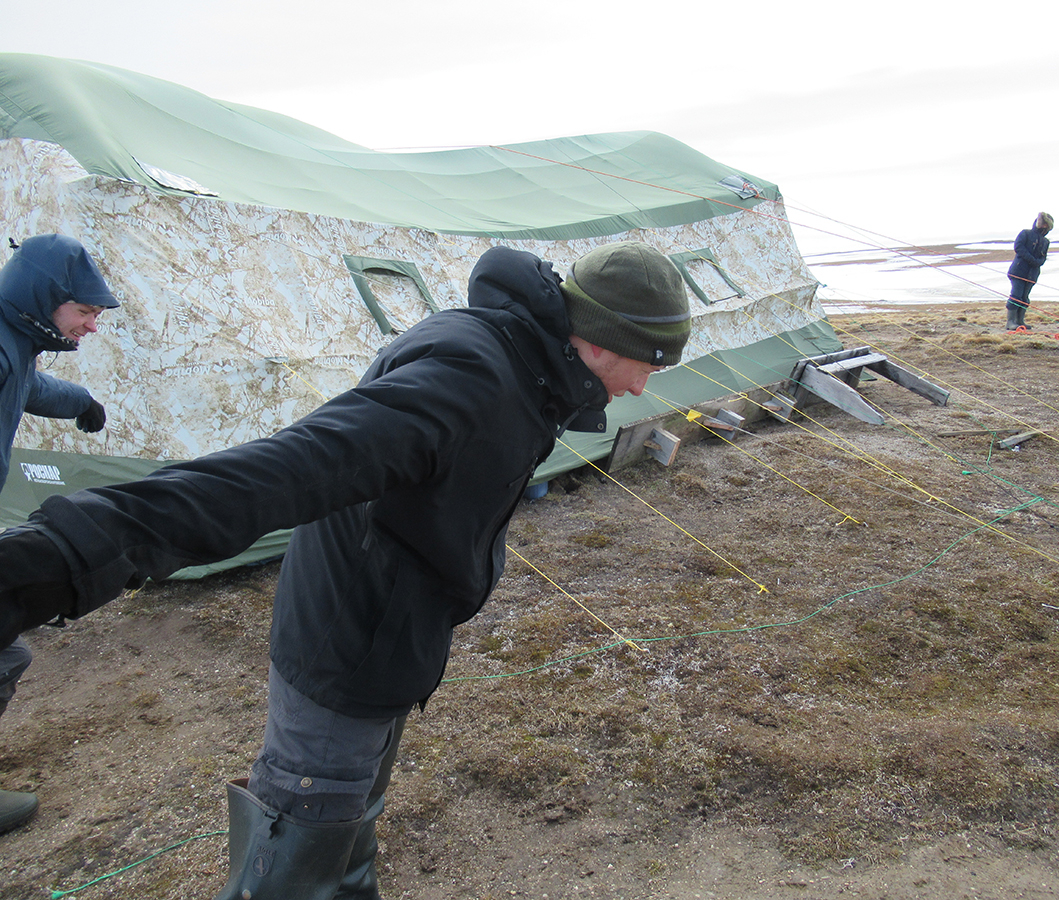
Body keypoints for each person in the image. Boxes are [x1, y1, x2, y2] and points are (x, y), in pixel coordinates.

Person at [0, 240, 691, 898]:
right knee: (297, 860)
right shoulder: (474, 378)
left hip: (397, 641)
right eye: (650, 365)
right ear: (599, 341)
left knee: (348, 836)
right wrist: (69, 552)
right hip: (347, 648)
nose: (644, 385)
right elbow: (292, 469)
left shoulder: (534, 366)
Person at [0, 234, 118, 835]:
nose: (91, 326)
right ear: (43, 298)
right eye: (84, 313)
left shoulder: (13, 344)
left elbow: (27, 386)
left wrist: (81, 402)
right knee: (5, 654)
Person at [1005, 212, 1054, 331]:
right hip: (1018, 271)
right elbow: (1018, 248)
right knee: (1016, 295)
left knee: (1025, 297)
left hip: (1032, 274)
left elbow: (1043, 258)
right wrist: (1032, 260)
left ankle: (1020, 321)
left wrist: (1038, 262)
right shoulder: (1025, 233)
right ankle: (1010, 322)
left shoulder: (1045, 241)